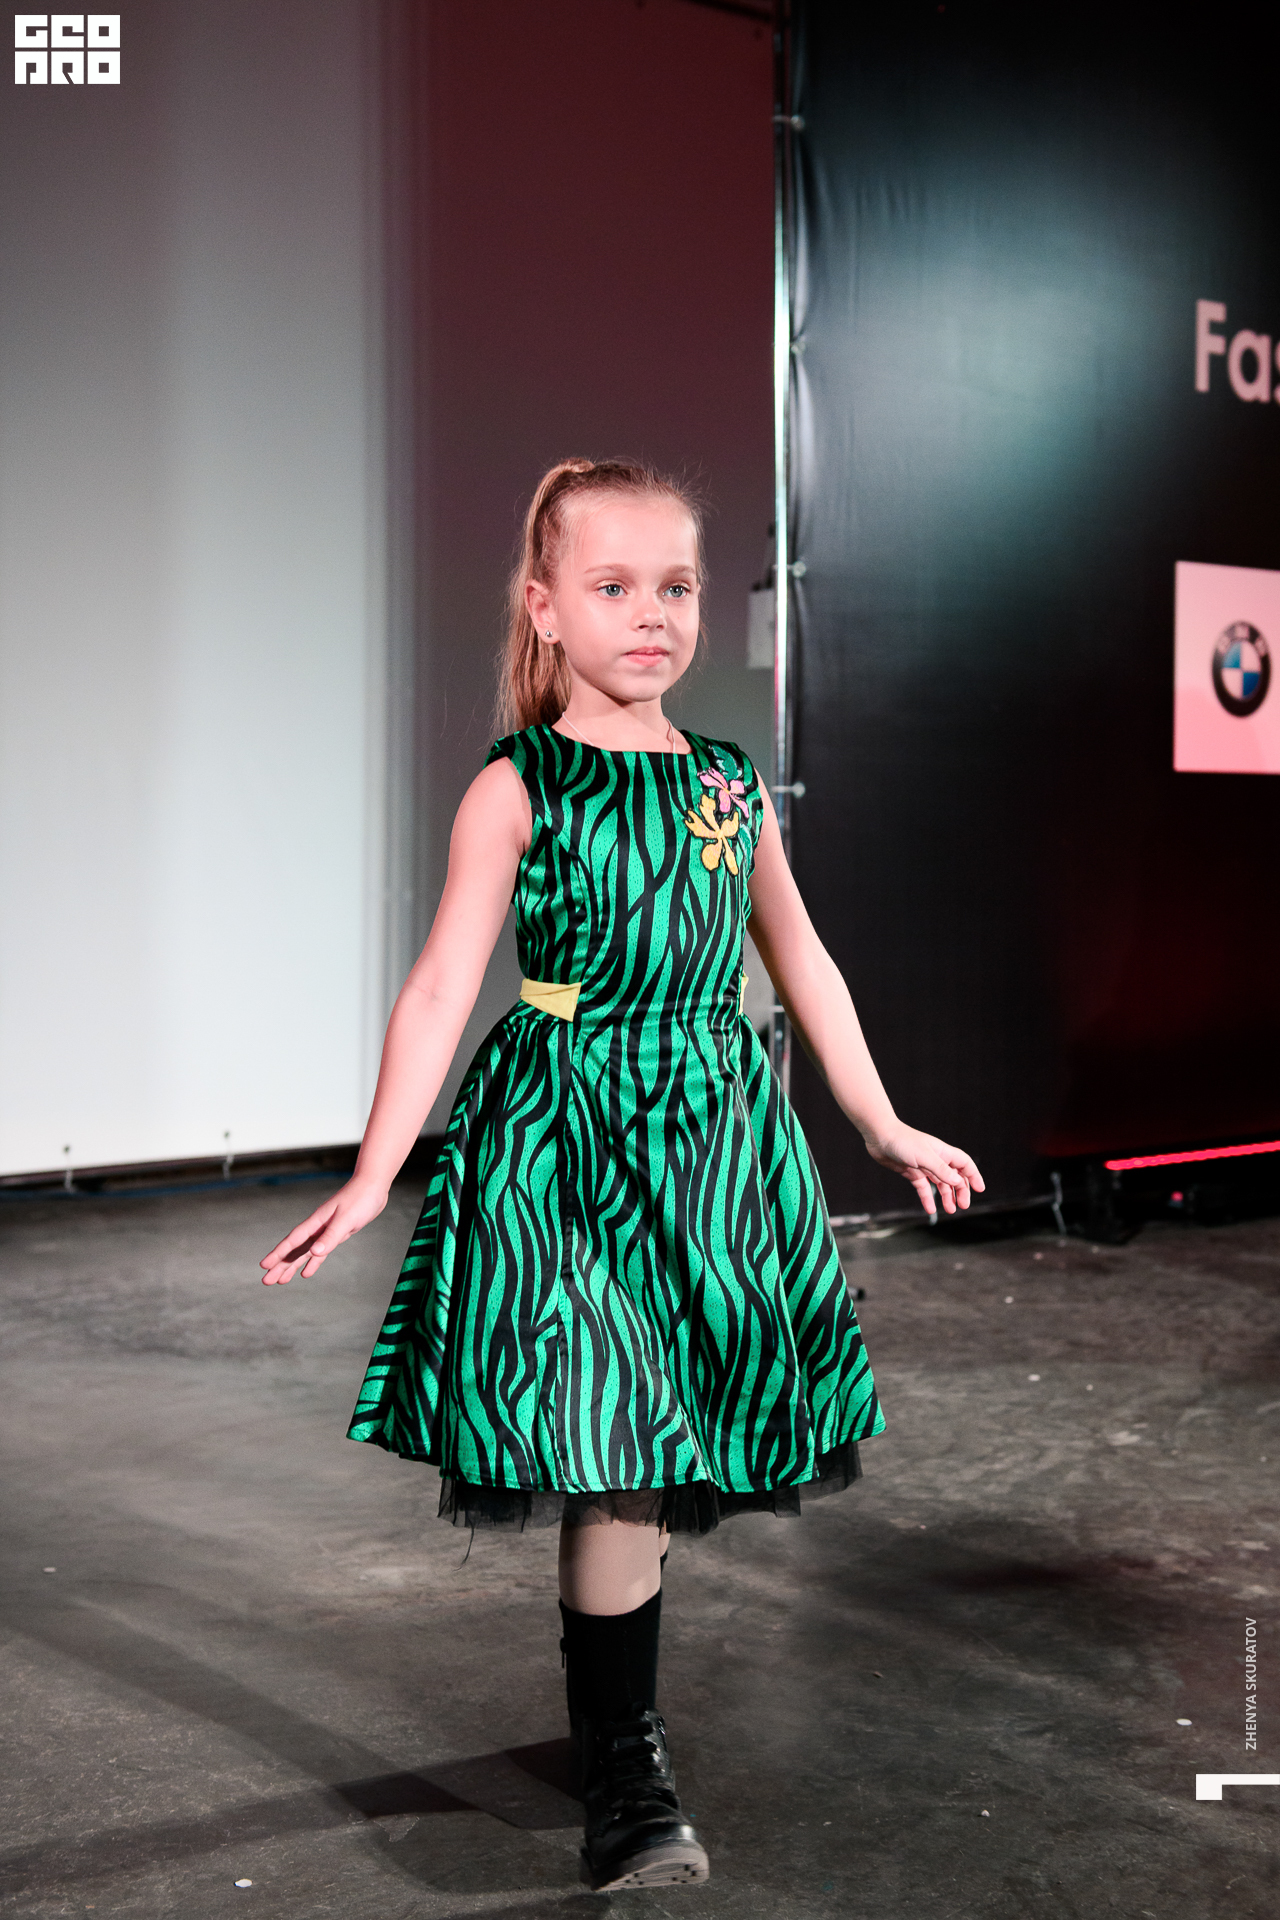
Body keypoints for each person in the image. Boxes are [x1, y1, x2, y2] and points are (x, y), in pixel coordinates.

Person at [260, 457, 983, 1893]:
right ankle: (625, 1765)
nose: (652, 614)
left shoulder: (726, 783)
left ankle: (614, 1731)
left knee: (653, 1458)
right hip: (566, 1141)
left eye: (677, 587)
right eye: (612, 586)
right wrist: (375, 1171)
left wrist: (882, 1122)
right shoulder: (518, 786)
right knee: (615, 1443)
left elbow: (801, 958)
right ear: (543, 606)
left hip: (712, 1144)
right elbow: (442, 985)